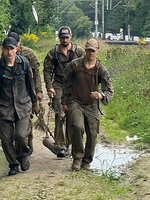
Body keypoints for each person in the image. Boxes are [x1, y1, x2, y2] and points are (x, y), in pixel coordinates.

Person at [0, 37, 40, 176]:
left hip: (23, 105)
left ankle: (23, 155)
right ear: (2, 50)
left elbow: (30, 85)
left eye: (12, 49)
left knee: (21, 135)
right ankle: (13, 164)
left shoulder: (24, 63)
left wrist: (35, 103)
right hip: (6, 107)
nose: (9, 52)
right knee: (6, 138)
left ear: (16, 49)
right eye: (6, 49)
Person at [61, 38, 114, 171]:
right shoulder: (75, 65)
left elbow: (109, 90)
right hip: (76, 101)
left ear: (97, 51)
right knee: (77, 127)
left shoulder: (100, 69)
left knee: (92, 133)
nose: (91, 53)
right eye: (88, 50)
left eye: (93, 51)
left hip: (91, 105)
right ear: (85, 50)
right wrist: (64, 101)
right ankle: (77, 158)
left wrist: (101, 95)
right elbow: (66, 83)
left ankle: (87, 160)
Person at [43, 26, 85, 158]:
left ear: (71, 36)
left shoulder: (79, 51)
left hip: (74, 85)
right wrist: (49, 87)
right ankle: (60, 145)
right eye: (62, 37)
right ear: (59, 38)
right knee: (60, 114)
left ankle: (71, 143)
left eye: (66, 37)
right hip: (59, 84)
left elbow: (87, 66)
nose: (64, 39)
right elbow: (47, 71)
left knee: (73, 115)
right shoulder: (53, 53)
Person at [7, 32, 43, 156]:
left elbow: (36, 72)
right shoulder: (7, 54)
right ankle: (18, 148)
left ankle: (28, 143)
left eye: (15, 44)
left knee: (27, 118)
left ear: (19, 42)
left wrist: (38, 90)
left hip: (28, 90)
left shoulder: (29, 53)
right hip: (13, 92)